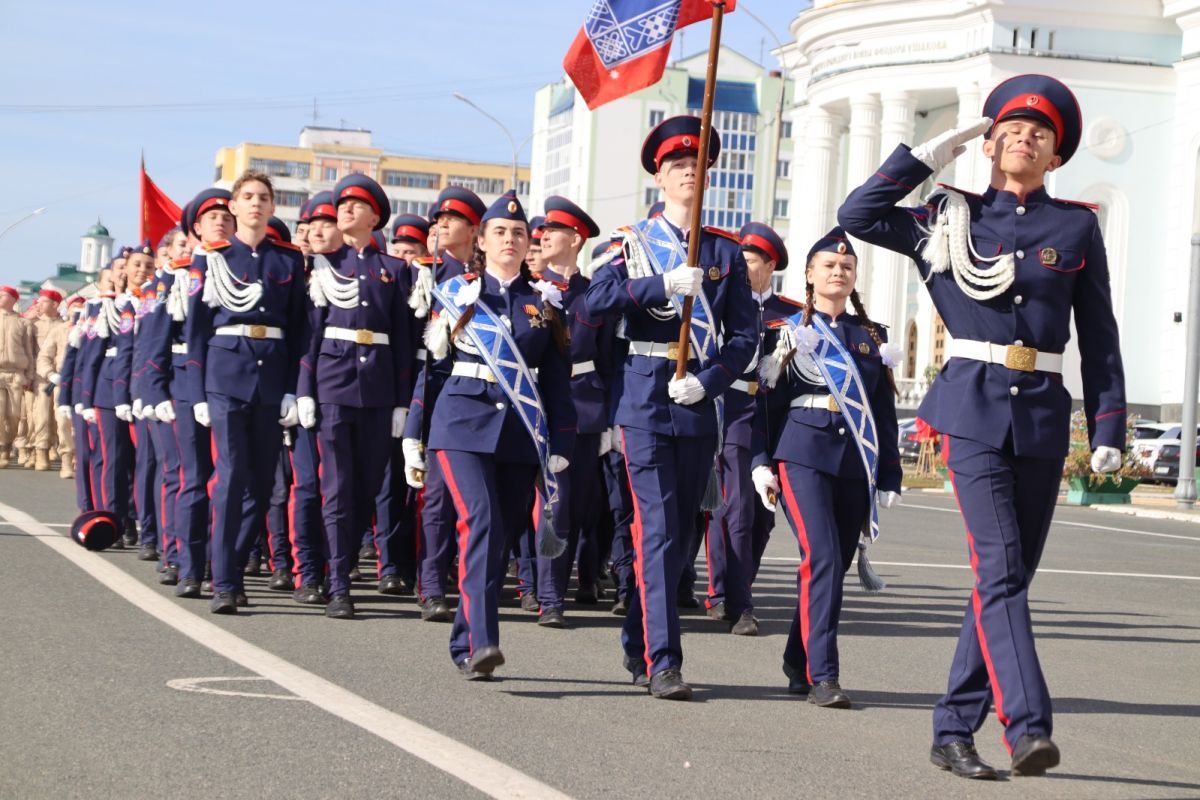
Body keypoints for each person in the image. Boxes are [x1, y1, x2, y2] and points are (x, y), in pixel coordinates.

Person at [837, 73, 1126, 779]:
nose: (1024, 139)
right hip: (971, 406)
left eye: (1040, 135)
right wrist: (931, 153)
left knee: (1007, 578)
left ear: (1055, 158)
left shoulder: (1077, 226)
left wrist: (1112, 425)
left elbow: (1101, 333)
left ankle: (950, 729)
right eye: (1010, 130)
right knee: (998, 568)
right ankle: (1027, 726)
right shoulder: (946, 214)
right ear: (989, 146)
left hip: (1043, 412)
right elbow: (859, 212)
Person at [585, 115, 758, 699]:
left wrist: (711, 381)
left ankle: (638, 641)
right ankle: (665, 661)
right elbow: (595, 301)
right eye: (676, 166)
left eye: (696, 165)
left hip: (695, 402)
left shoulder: (724, 251)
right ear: (658, 179)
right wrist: (658, 285)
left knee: (680, 537)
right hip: (642, 395)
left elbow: (744, 336)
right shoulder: (630, 241)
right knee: (656, 531)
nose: (688, 172)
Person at [403, 190, 575, 679]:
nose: (510, 239)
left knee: (498, 537)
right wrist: (413, 435)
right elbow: (432, 372)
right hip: (459, 426)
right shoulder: (457, 292)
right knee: (479, 521)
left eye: (519, 234)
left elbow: (558, 381)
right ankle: (484, 640)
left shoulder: (542, 302)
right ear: (481, 240)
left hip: (519, 433)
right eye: (500, 231)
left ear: (529, 244)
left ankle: (464, 643)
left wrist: (561, 444)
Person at [754, 228, 902, 710]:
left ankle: (798, 659)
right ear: (810, 275)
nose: (839, 272)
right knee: (820, 556)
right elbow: (765, 406)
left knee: (831, 568)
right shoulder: (786, 330)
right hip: (801, 455)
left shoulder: (870, 337)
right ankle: (825, 675)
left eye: (847, 267)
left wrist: (890, 475)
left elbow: (882, 412)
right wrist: (760, 463)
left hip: (855, 461)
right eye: (829, 266)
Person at [184, 170, 307, 614]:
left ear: (273, 207)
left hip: (272, 378)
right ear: (233, 207)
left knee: (261, 485)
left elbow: (298, 331)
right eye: (248, 197)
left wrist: (295, 389)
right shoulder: (211, 258)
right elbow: (196, 332)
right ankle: (223, 583)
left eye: (264, 197)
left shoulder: (288, 261)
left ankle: (230, 569)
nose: (255, 203)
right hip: (225, 375)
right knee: (232, 476)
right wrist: (197, 391)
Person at [297, 174, 413, 619]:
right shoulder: (323, 265)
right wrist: (306, 389)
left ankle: (339, 568)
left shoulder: (396, 270)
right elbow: (310, 336)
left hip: (379, 390)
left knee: (366, 490)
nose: (345, 210)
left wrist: (402, 402)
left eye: (355, 205)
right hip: (332, 384)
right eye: (342, 204)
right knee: (336, 488)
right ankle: (338, 583)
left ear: (374, 216)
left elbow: (402, 341)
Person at [703, 223, 792, 636]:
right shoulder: (719, 303)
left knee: (762, 517)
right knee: (734, 506)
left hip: (775, 420)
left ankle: (737, 585)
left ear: (770, 265)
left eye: (749, 261)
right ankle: (731, 597)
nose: (740, 268)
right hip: (734, 408)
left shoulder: (790, 315)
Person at [409, 186, 486, 622]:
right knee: (434, 500)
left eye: (451, 219)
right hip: (432, 394)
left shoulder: (480, 279)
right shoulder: (426, 274)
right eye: (437, 218)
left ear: (473, 230)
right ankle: (431, 585)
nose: (440, 224)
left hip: (470, 394)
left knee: (468, 502)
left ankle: (465, 582)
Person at [531, 196, 607, 628]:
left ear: (575, 239)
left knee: (577, 504)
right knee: (551, 504)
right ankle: (546, 595)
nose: (542, 236)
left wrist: (609, 416)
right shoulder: (528, 287)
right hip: (535, 401)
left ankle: (556, 588)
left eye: (552, 231)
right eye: (541, 231)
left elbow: (609, 356)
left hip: (582, 406)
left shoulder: (593, 292)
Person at [30, 285, 68, 471]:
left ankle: (60, 449)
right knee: (41, 416)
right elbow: (28, 351)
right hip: (42, 377)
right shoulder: (33, 325)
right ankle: (41, 451)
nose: (39, 303)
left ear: (55, 304)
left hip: (62, 378)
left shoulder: (64, 326)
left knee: (60, 417)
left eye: (43, 300)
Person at [0, 286, 35, 468]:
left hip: (16, 374)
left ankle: (7, 443)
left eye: (3, 295)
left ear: (13, 299)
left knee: (14, 415)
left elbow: (29, 352)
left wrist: (29, 375)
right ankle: (1, 449)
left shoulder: (23, 323)